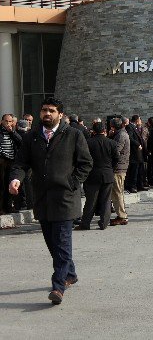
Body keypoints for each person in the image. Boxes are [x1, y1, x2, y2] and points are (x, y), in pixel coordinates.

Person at [9, 97, 93, 305]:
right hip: (43, 199)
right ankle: (70, 274)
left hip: (65, 199)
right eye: (44, 110)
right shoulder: (32, 137)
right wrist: (16, 178)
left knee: (62, 243)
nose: (47, 113)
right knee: (52, 244)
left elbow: (86, 163)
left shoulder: (73, 134)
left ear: (60, 114)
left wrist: (72, 183)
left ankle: (58, 286)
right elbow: (21, 162)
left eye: (52, 110)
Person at [78, 122, 118, 230]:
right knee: (106, 200)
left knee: (91, 201)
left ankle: (85, 223)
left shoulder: (88, 143)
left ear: (93, 131)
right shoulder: (112, 143)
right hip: (107, 174)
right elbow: (116, 159)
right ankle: (104, 223)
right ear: (104, 131)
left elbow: (83, 158)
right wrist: (110, 169)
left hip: (92, 175)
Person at [108, 117, 130, 226]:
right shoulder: (120, 134)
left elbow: (115, 151)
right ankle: (121, 214)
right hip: (120, 167)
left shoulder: (121, 135)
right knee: (117, 192)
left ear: (113, 126)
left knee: (117, 193)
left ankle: (122, 216)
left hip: (118, 168)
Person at [1, 113, 23, 213]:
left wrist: (12, 132)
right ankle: (1, 208)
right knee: (1, 184)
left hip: (11, 160)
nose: (8, 123)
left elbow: (22, 143)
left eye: (10, 121)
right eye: (6, 121)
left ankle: (9, 206)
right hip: (1, 160)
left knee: (9, 183)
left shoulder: (14, 132)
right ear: (2, 122)